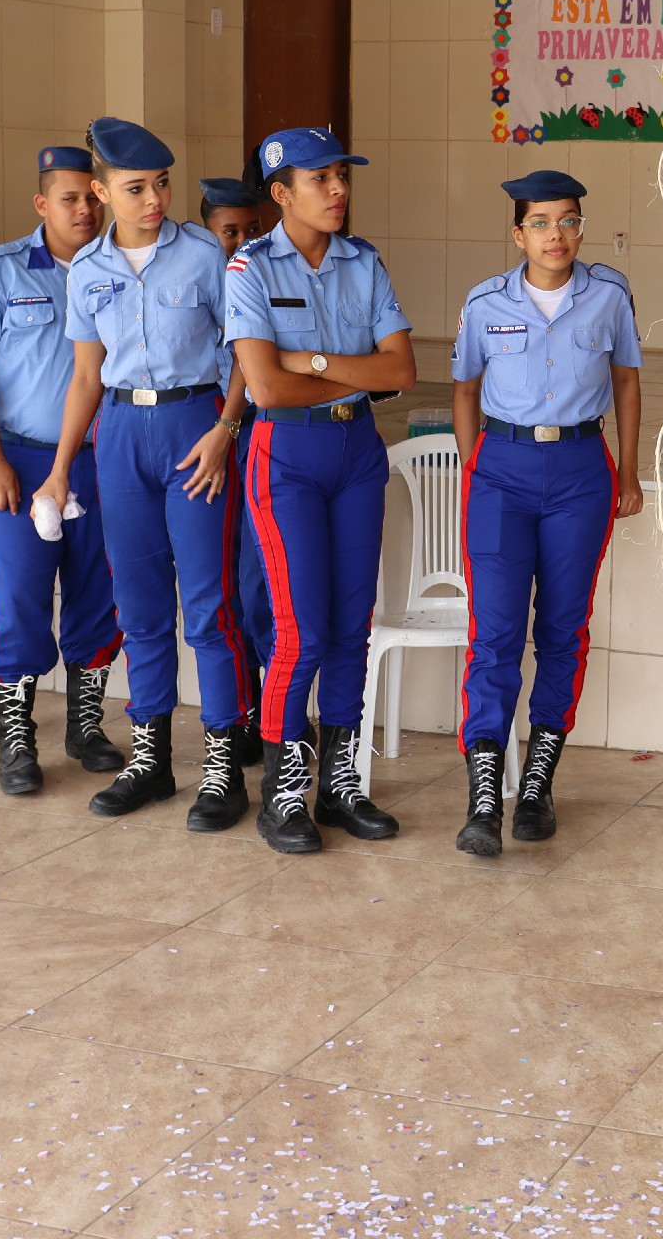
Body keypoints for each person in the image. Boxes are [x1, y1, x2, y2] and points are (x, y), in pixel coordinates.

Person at [41, 117, 254, 829]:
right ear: (100, 192)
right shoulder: (90, 270)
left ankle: (224, 765)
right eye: (135, 188)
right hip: (121, 436)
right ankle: (152, 756)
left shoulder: (202, 256)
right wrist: (62, 468)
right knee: (137, 605)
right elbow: (84, 378)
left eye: (161, 184)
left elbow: (245, 354)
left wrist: (225, 431)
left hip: (193, 428)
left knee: (207, 605)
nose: (154, 198)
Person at [226, 126, 416, 855]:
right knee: (299, 631)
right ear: (282, 193)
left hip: (356, 451)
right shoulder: (247, 270)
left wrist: (312, 359)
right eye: (321, 180)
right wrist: (349, 366)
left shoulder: (362, 262)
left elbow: (399, 370)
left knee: (350, 627)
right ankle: (282, 796)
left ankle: (338, 786)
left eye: (342, 177)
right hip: (287, 454)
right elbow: (267, 385)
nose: (338, 191)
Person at [448, 170, 644, 855]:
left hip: (581, 475)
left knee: (563, 631)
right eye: (540, 222)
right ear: (517, 233)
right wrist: (477, 469)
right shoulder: (485, 302)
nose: (555, 235)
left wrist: (630, 469)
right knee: (495, 636)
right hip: (501, 475)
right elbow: (464, 390)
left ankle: (536, 786)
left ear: (580, 228)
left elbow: (625, 381)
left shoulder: (609, 296)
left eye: (567, 220)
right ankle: (482, 798)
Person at [0, 146, 126, 795]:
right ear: (41, 203)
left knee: (99, 592)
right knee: (18, 596)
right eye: (68, 197)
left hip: (104, 461)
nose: (83, 208)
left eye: (91, 196)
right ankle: (16, 738)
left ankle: (86, 723)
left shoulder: (125, 269)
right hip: (17, 460)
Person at [199, 173, 276, 765]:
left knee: (258, 585)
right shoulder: (199, 284)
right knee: (217, 583)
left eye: (254, 229)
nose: (243, 241)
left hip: (256, 439)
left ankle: (272, 718)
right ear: (207, 234)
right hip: (202, 444)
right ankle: (239, 713)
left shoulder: (268, 282)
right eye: (230, 232)